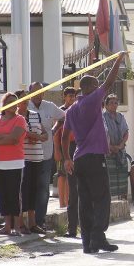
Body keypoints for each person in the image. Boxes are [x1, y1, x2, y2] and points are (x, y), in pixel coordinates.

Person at [62, 52, 126, 253]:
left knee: (85, 200)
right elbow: (108, 84)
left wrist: (66, 159)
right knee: (102, 199)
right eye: (95, 85)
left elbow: (64, 136)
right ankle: (98, 237)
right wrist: (117, 61)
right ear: (88, 88)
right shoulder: (91, 100)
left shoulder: (71, 109)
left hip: (79, 159)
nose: (99, 88)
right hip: (95, 158)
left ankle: (87, 242)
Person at [0, 92, 27, 236]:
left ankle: (16, 227)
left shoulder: (20, 119)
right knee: (1, 195)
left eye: (16, 102)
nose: (14, 104)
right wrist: (5, 137)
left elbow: (14, 139)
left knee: (14, 195)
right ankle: (7, 226)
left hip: (14, 163)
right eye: (11, 102)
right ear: (4, 104)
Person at [27, 82, 66, 230]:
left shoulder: (49, 106)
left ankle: (39, 221)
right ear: (30, 92)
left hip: (46, 153)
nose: (38, 94)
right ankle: (25, 221)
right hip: (28, 155)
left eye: (41, 91)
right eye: (35, 91)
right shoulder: (25, 106)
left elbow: (64, 117)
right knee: (28, 188)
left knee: (43, 188)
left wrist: (54, 130)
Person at [15, 89, 48, 235]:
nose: (25, 100)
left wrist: (39, 137)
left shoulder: (35, 115)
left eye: (26, 98)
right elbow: (21, 133)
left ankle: (33, 223)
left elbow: (45, 133)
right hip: (23, 158)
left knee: (34, 190)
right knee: (23, 191)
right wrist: (31, 136)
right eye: (22, 98)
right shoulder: (15, 117)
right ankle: (21, 223)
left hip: (37, 157)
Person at [54, 87, 79, 237]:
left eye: (73, 96)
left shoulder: (78, 109)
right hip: (64, 145)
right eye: (69, 96)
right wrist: (57, 150)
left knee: (72, 178)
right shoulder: (61, 111)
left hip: (76, 144)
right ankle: (62, 203)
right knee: (62, 174)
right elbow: (57, 132)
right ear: (64, 97)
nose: (71, 99)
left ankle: (68, 200)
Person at [103, 94, 129, 199]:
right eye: (111, 103)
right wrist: (110, 147)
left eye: (116, 103)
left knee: (122, 177)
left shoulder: (120, 117)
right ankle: (110, 201)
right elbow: (101, 134)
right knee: (110, 178)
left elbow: (126, 132)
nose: (114, 105)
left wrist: (120, 146)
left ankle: (123, 201)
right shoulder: (102, 117)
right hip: (108, 152)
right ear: (106, 105)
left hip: (120, 151)